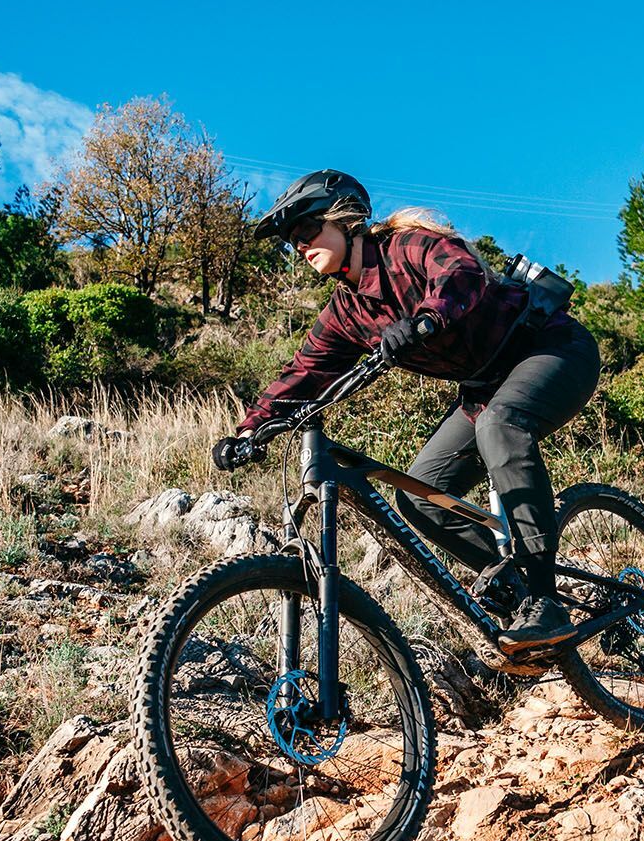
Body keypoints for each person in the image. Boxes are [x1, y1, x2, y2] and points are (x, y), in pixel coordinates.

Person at [215, 169, 602, 650]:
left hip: (551, 348)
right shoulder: (346, 311)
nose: (299, 245)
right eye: (292, 241)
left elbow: (459, 274)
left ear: (345, 220)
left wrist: (426, 317)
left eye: (306, 230)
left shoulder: (407, 246)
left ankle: (545, 600)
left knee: (501, 426)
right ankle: (515, 590)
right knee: (420, 494)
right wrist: (250, 431)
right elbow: (305, 371)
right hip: (485, 387)